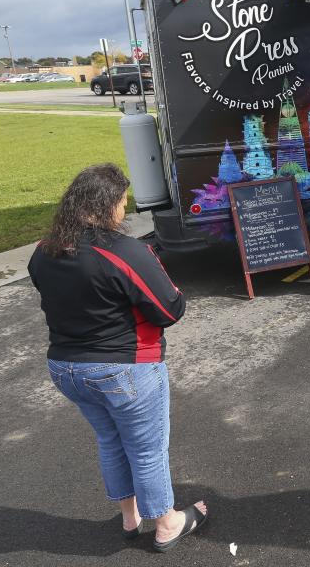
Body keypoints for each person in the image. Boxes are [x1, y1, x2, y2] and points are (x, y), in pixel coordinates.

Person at [27, 164, 207, 553]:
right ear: (108, 205)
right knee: (146, 448)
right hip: (123, 368)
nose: (124, 211)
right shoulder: (126, 251)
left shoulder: (44, 250)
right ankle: (166, 522)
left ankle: (130, 517)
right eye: (123, 203)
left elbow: (51, 294)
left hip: (66, 367)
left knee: (110, 440)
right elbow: (170, 308)